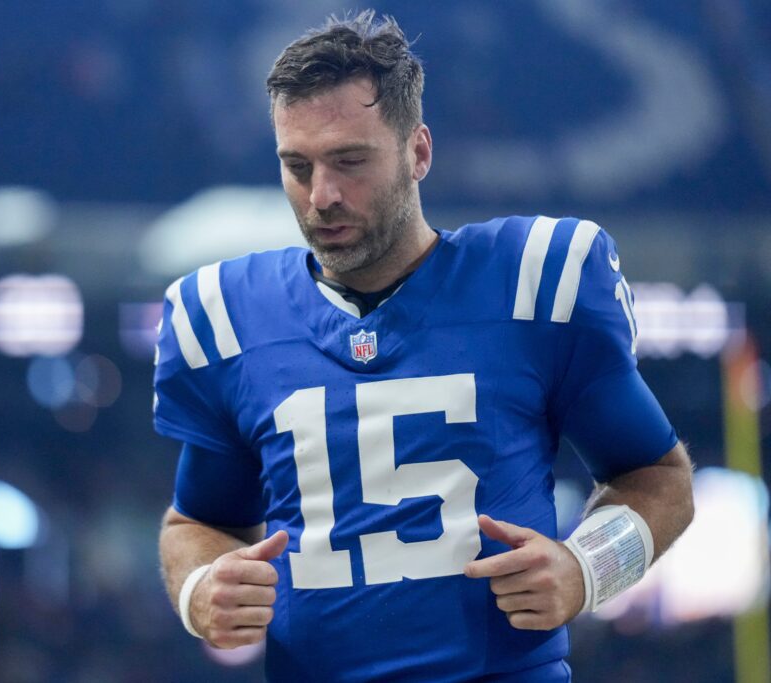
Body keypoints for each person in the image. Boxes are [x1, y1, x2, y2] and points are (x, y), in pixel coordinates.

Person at [154, 10, 694, 682]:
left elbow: (659, 478)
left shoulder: (531, 284)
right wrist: (199, 586)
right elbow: (194, 522)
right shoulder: (230, 317)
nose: (321, 195)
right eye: (297, 165)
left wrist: (587, 568)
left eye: (350, 160)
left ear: (418, 151)